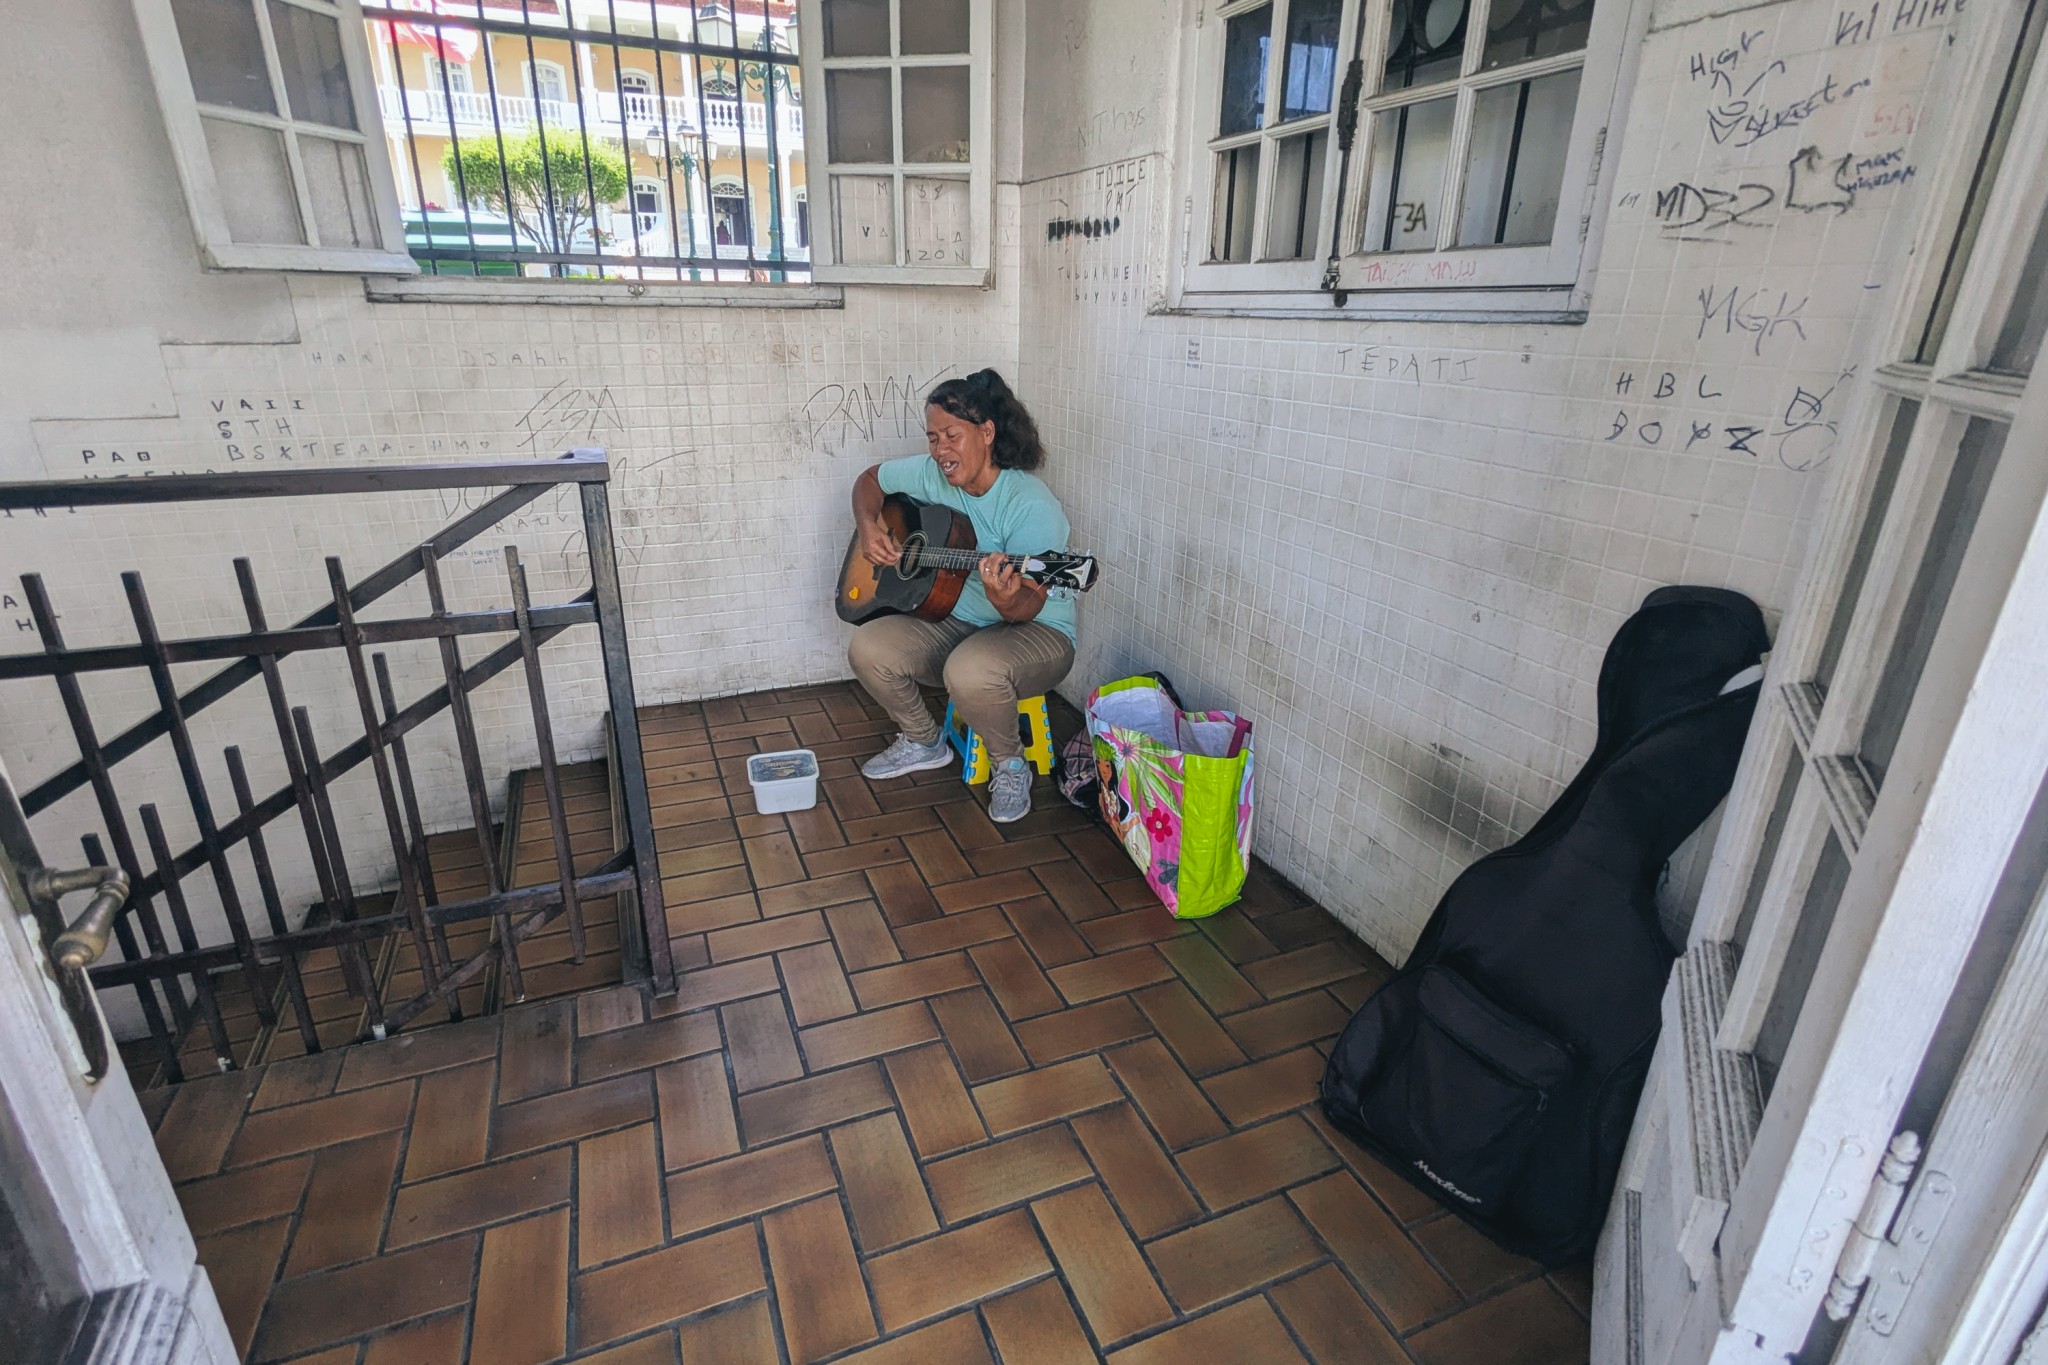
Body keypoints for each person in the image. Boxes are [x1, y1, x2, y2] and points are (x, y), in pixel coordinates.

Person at [847, 369, 1076, 823]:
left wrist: (1003, 596)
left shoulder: (1030, 504)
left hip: (1039, 632)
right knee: (867, 648)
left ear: (986, 433)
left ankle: (1010, 764)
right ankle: (923, 741)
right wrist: (869, 525)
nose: (940, 451)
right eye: (933, 438)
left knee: (969, 670)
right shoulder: (934, 475)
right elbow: (869, 480)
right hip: (957, 619)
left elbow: (1027, 605)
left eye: (952, 436)